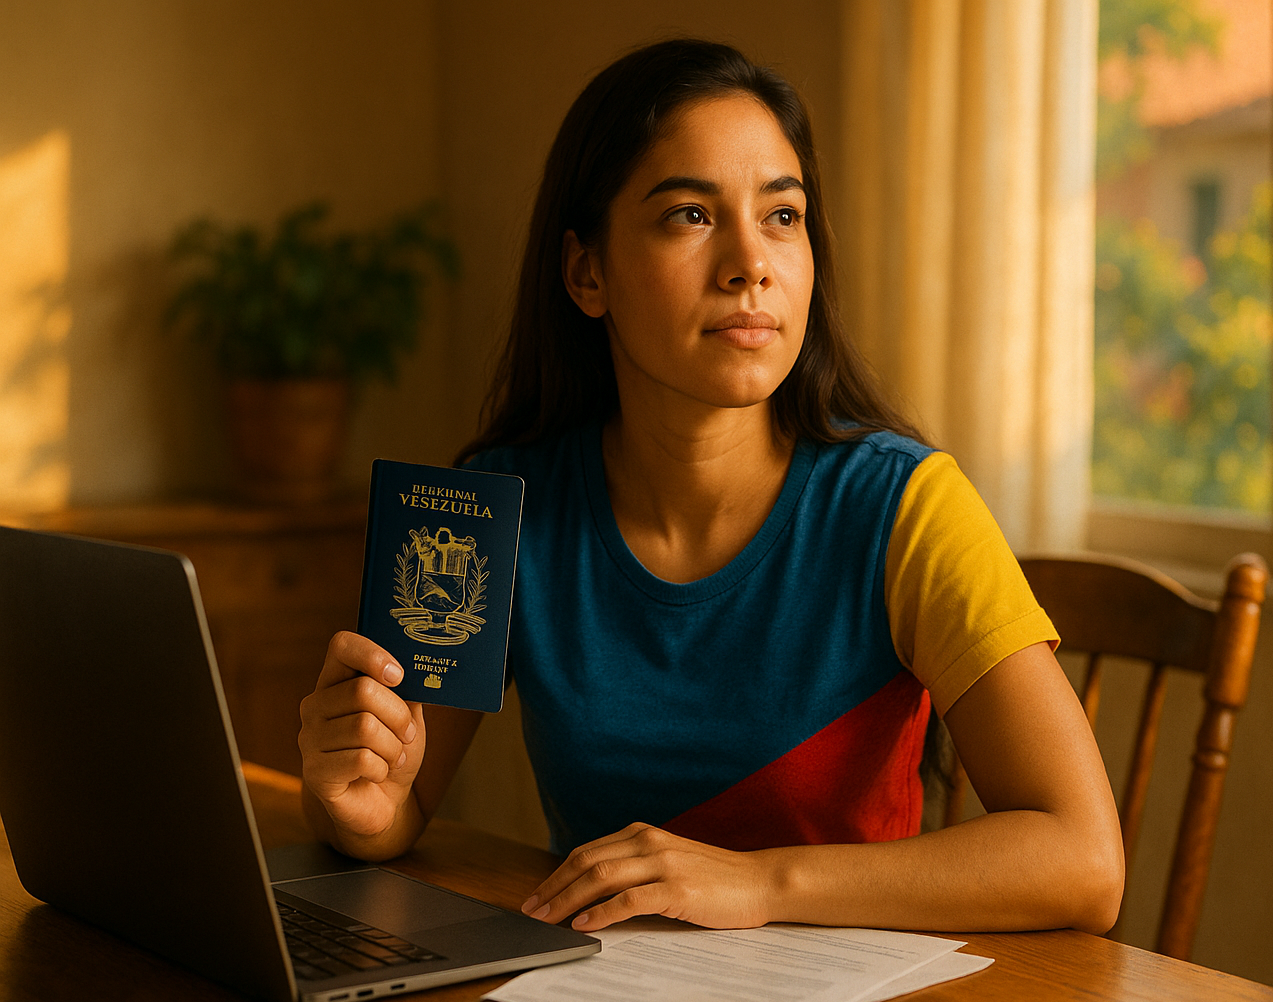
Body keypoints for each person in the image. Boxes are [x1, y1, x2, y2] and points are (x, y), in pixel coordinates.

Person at [299, 38, 1123, 935]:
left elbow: (1083, 859)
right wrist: (356, 803)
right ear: (587, 272)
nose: (749, 264)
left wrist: (760, 885)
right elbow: (391, 812)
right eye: (690, 216)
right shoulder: (493, 512)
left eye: (782, 215)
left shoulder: (906, 508)